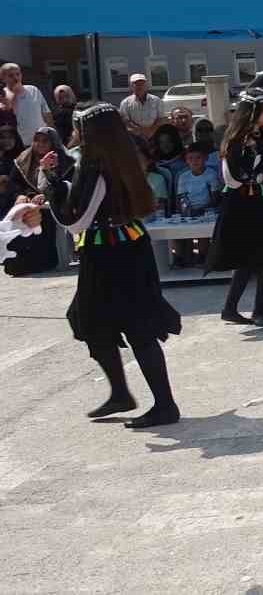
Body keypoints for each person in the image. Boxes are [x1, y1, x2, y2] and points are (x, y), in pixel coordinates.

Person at [38, 103, 183, 428]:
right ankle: (122, 393)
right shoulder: (123, 156)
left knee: (134, 328)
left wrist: (48, 186)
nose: (75, 133)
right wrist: (58, 180)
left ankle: (164, 405)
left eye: (80, 127)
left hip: (109, 254)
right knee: (91, 321)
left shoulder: (95, 167)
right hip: (126, 246)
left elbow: (75, 222)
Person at [208, 89, 263, 326]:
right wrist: (257, 176)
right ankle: (254, 310)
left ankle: (237, 309)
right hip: (242, 206)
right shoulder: (235, 140)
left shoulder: (262, 136)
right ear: (253, 111)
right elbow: (232, 178)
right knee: (257, 257)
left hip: (259, 202)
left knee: (260, 256)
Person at [5, 126, 70, 276]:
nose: (39, 144)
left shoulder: (65, 160)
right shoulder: (24, 158)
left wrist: (46, 196)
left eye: (44, 141)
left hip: (53, 208)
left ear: (53, 143)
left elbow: (67, 185)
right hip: (28, 206)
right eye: (36, 140)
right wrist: (23, 195)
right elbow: (13, 184)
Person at [173, 143, 220, 266]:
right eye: (190, 158)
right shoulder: (183, 177)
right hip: (188, 211)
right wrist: (187, 210)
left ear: (205, 158)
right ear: (186, 160)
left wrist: (202, 209)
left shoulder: (211, 174)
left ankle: (202, 256)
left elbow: (215, 198)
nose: (194, 161)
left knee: (203, 233)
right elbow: (181, 198)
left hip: (207, 211)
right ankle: (180, 258)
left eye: (198, 157)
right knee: (177, 232)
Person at [1, 63, 49, 144]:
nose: (16, 78)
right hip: (20, 143)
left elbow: (46, 113)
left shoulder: (33, 90)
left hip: (40, 141)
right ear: (3, 78)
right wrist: (15, 93)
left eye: (18, 74)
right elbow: (8, 111)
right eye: (11, 75)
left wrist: (51, 133)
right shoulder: (3, 94)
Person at [117, 74, 165, 139]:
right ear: (131, 86)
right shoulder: (125, 102)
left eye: (142, 84)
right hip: (135, 137)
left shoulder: (156, 100)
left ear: (146, 85)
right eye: (136, 84)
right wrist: (140, 130)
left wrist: (151, 131)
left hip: (155, 134)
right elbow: (126, 121)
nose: (139, 86)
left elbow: (160, 118)